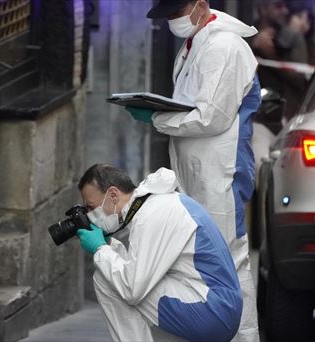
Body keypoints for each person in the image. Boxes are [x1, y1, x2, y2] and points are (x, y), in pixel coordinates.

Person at [125, 1, 261, 341]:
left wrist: (157, 118)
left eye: (176, 13)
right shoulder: (196, 43)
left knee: (228, 261)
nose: (173, 21)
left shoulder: (224, 46)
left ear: (201, 5)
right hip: (202, 170)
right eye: (168, 16)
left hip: (220, 172)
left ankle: (243, 337)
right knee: (212, 260)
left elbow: (211, 116)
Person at [76, 164, 243, 341]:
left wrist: (100, 249)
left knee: (107, 280)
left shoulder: (152, 214)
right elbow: (136, 271)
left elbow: (132, 288)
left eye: (91, 208)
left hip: (214, 313)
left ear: (113, 195)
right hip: (213, 306)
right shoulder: (157, 204)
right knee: (118, 275)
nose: (90, 216)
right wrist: (108, 243)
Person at [250, 0, 310, 119]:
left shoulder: (293, 38)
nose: (285, 11)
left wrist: (271, 55)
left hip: (283, 114)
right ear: (263, 9)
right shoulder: (245, 34)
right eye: (278, 6)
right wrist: (252, 47)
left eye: (285, 6)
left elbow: (300, 79)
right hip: (251, 112)